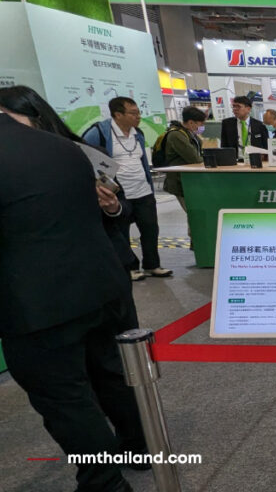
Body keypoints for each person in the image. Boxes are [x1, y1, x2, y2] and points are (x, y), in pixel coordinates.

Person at [1, 110, 146, 492]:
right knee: (111, 374)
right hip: (100, 284)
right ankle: (139, 447)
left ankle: (105, 482)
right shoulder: (64, 147)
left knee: (66, 400)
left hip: (36, 303)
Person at [0, 86, 139, 282]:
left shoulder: (84, 155)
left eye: (9, 121)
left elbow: (124, 207)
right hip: (41, 273)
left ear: (37, 117)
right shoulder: (9, 166)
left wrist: (112, 207)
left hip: (100, 264)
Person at [83, 97, 172, 281]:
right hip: (119, 195)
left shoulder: (137, 133)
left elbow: (142, 160)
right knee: (121, 232)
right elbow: (85, 155)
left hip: (143, 191)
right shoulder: (99, 133)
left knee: (150, 229)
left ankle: (152, 265)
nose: (138, 116)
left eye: (138, 112)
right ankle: (129, 267)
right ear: (118, 114)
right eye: (133, 113)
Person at [155, 106, 205, 243]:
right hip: (180, 182)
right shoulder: (176, 135)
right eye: (200, 124)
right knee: (194, 212)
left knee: (194, 212)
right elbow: (194, 158)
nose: (201, 127)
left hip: (190, 181)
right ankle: (198, 242)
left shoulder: (188, 133)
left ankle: (197, 242)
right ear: (191, 122)